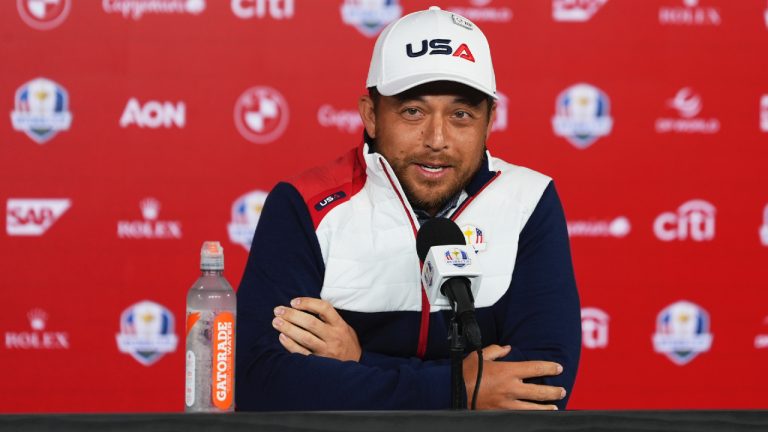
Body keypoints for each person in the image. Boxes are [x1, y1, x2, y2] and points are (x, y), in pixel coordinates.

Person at [235, 6, 581, 411]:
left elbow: (541, 386)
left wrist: (360, 361)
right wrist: (456, 390)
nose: (436, 138)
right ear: (371, 115)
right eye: (413, 111)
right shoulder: (305, 204)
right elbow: (258, 381)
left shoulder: (528, 201)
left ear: (490, 122)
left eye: (461, 115)